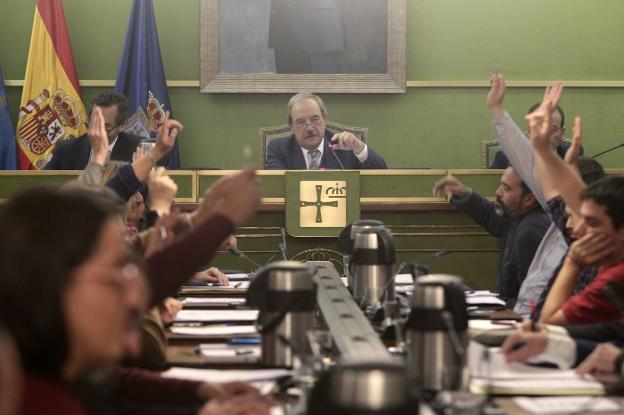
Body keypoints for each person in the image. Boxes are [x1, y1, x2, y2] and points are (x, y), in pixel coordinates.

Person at [486, 74, 597, 316]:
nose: (567, 220)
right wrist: (497, 109)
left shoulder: (586, 241)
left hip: (541, 328)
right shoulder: (564, 216)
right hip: (525, 318)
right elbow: (531, 166)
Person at [525, 99, 624, 325]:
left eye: (590, 222)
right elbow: (554, 191)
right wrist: (544, 150)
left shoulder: (612, 276)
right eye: (573, 216)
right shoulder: (589, 238)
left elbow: (547, 326)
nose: (574, 227)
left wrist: (572, 262)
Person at [433, 168, 550, 307]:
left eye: (506, 188)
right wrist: (464, 193)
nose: (498, 191)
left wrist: (493, 305)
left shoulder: (530, 231)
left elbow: (531, 302)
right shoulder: (519, 217)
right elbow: (492, 217)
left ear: (529, 199)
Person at [265, 92, 388, 169]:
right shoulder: (279, 149)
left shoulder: (344, 146)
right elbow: (275, 186)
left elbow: (382, 175)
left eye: (315, 119)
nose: (309, 128)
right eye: (301, 122)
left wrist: (359, 148)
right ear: (291, 126)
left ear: (325, 119)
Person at [46, 91, 143, 170]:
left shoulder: (139, 149)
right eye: (94, 123)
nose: (97, 132)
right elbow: (46, 185)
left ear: (122, 126)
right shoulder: (66, 150)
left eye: (106, 126)